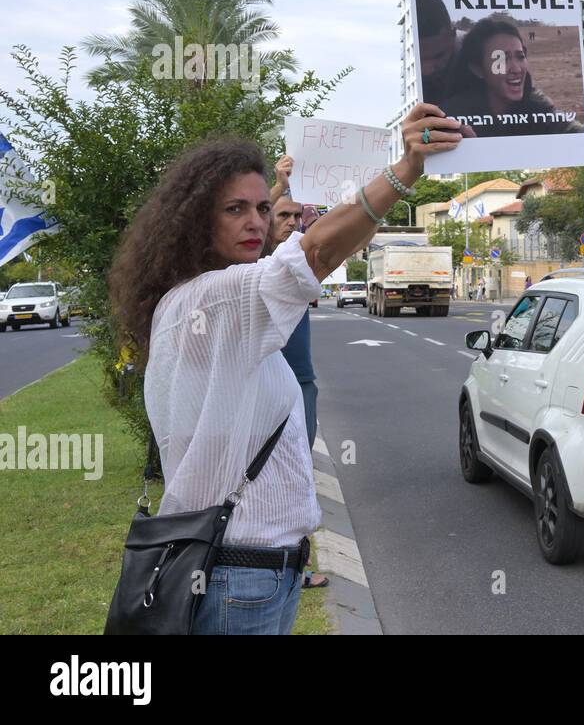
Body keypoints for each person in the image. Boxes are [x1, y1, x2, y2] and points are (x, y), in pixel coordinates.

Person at [108, 105, 462, 635]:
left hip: (249, 573)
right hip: (237, 577)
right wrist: (403, 171)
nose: (255, 221)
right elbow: (316, 253)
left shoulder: (202, 300)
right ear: (194, 221)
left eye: (260, 206)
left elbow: (313, 251)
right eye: (234, 209)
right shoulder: (214, 299)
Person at [265, 158, 328, 591]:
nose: (290, 222)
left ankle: (296, 566)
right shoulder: (254, 264)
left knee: (298, 472)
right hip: (261, 385)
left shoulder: (300, 260)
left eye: (295, 215)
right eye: (281, 216)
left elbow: (345, 234)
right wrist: (279, 184)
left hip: (300, 383)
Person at [441, 17, 584, 138]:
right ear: (478, 69)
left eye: (520, 56)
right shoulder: (449, 117)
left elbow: (575, 132)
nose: (516, 69)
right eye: (502, 59)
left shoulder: (539, 107)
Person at [417, 0, 461, 106]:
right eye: (418, 59)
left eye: (439, 56)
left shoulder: (479, 55)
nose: (427, 70)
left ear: (452, 35)